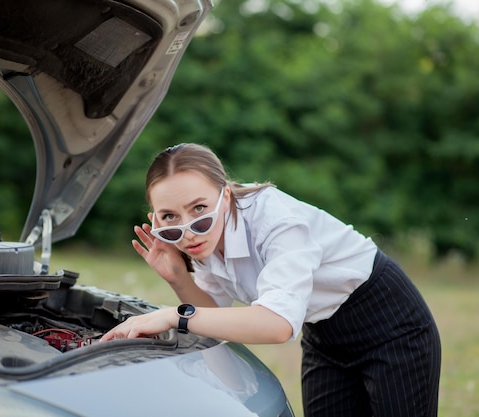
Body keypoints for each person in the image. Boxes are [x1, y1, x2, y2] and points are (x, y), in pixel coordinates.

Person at [100, 142, 441, 416]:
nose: (188, 231)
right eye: (170, 218)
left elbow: (277, 324)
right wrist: (178, 278)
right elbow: (212, 317)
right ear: (154, 219)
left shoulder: (276, 222)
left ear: (226, 196)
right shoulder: (201, 240)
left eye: (199, 209)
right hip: (324, 336)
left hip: (389, 324)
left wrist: (172, 315)